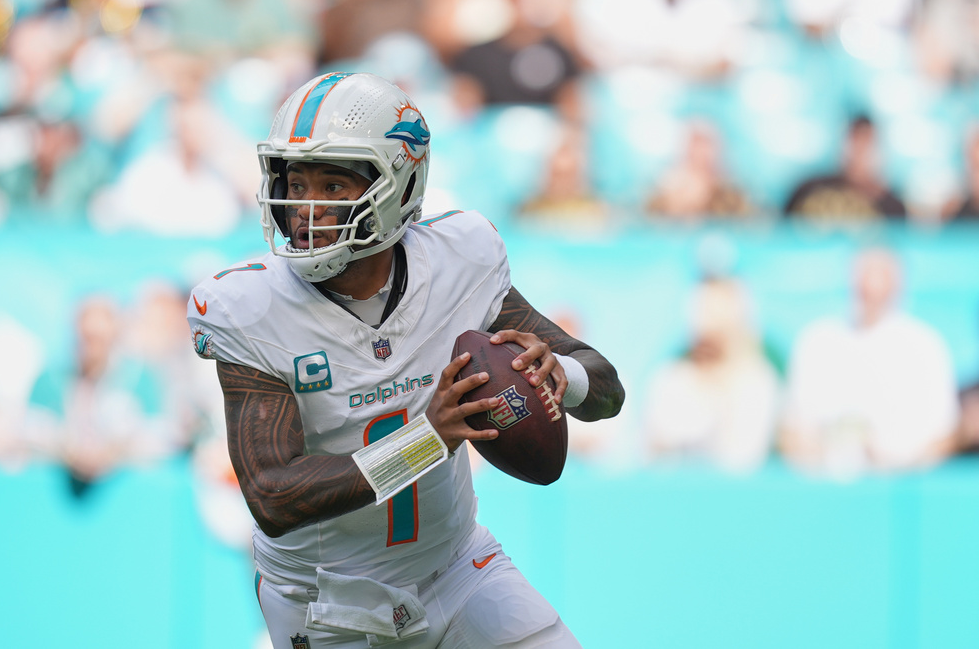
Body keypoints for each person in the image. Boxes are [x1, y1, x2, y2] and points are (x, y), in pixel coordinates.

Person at [186, 72, 625, 648]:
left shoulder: (461, 262)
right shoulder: (249, 308)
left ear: (400, 184)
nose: (305, 207)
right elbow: (273, 494)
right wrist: (426, 441)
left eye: (332, 184)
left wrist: (559, 375)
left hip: (457, 567)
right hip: (328, 600)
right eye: (296, 182)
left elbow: (608, 392)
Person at [779, 248, 959, 477]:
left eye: (882, 274)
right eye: (864, 274)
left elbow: (945, 436)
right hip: (825, 485)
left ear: (900, 281)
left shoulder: (926, 345)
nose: (872, 285)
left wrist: (897, 466)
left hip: (900, 486)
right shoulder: (816, 341)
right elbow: (791, 430)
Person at [640, 276, 780, 473]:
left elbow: (743, 459)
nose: (707, 331)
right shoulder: (669, 380)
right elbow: (653, 455)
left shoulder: (758, 384)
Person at [782, 115, 907, 222]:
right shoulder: (809, 191)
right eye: (855, 141)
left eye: (866, 144)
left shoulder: (892, 207)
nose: (860, 152)